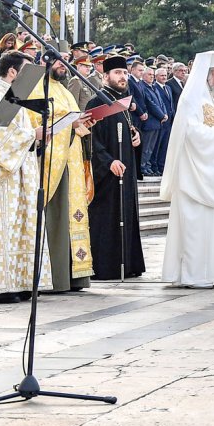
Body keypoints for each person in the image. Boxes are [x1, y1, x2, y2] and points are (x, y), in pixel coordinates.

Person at [160, 51, 214, 289]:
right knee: (197, 227)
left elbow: (210, 131)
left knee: (213, 226)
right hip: (195, 180)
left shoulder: (212, 101)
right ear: (206, 76)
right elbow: (192, 134)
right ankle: (196, 274)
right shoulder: (191, 100)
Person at [0, 50, 51, 303]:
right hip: (1, 179)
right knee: (5, 227)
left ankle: (19, 282)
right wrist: (34, 134)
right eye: (26, 72)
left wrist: (34, 136)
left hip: (18, 175)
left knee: (19, 227)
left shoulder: (13, 97)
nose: (30, 79)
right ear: (12, 72)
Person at [33, 55, 95, 293]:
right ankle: (55, 276)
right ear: (45, 61)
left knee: (71, 214)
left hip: (70, 157)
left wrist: (84, 122)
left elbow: (72, 123)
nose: (63, 65)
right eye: (59, 60)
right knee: (56, 215)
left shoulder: (66, 92)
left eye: (66, 61)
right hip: (50, 161)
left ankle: (73, 277)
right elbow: (33, 122)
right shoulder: (36, 86)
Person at [84, 54, 146, 280]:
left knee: (127, 213)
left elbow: (127, 129)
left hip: (125, 168)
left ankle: (127, 263)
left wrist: (136, 136)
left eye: (125, 73)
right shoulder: (97, 101)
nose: (123, 77)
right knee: (108, 216)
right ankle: (107, 266)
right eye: (118, 73)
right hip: (108, 172)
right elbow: (90, 138)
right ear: (105, 76)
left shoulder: (121, 102)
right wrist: (108, 161)